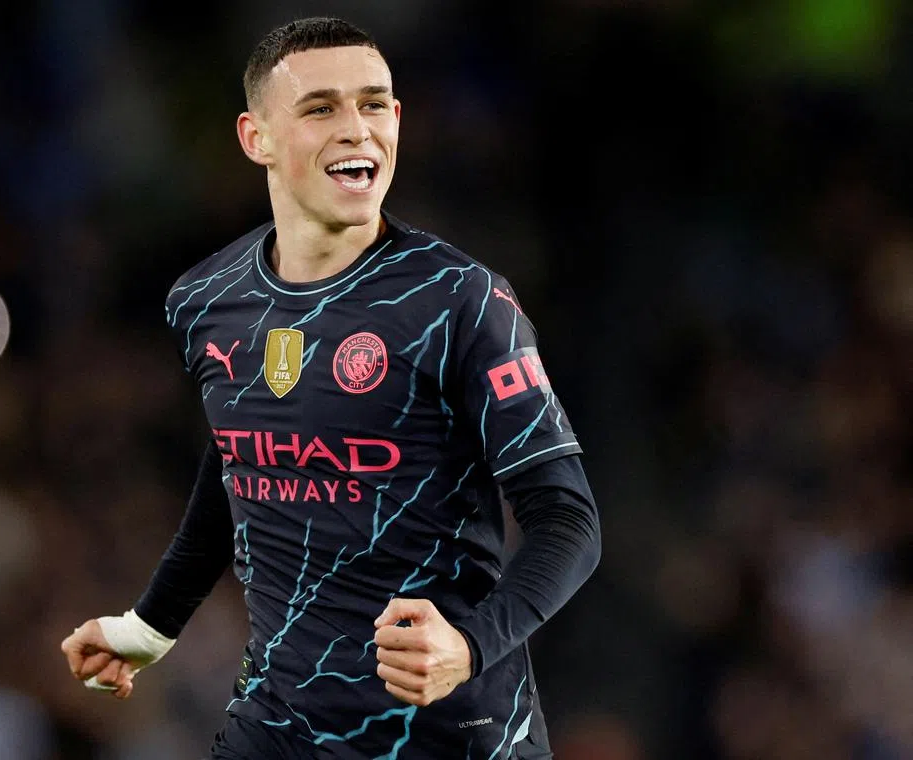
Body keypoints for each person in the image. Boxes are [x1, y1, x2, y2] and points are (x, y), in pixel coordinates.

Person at [61, 16, 601, 760]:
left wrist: (470, 648)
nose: (357, 129)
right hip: (276, 728)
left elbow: (569, 520)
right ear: (257, 139)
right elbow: (238, 470)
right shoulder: (206, 300)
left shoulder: (462, 302)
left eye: (374, 104)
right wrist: (149, 626)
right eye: (321, 108)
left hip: (447, 734)